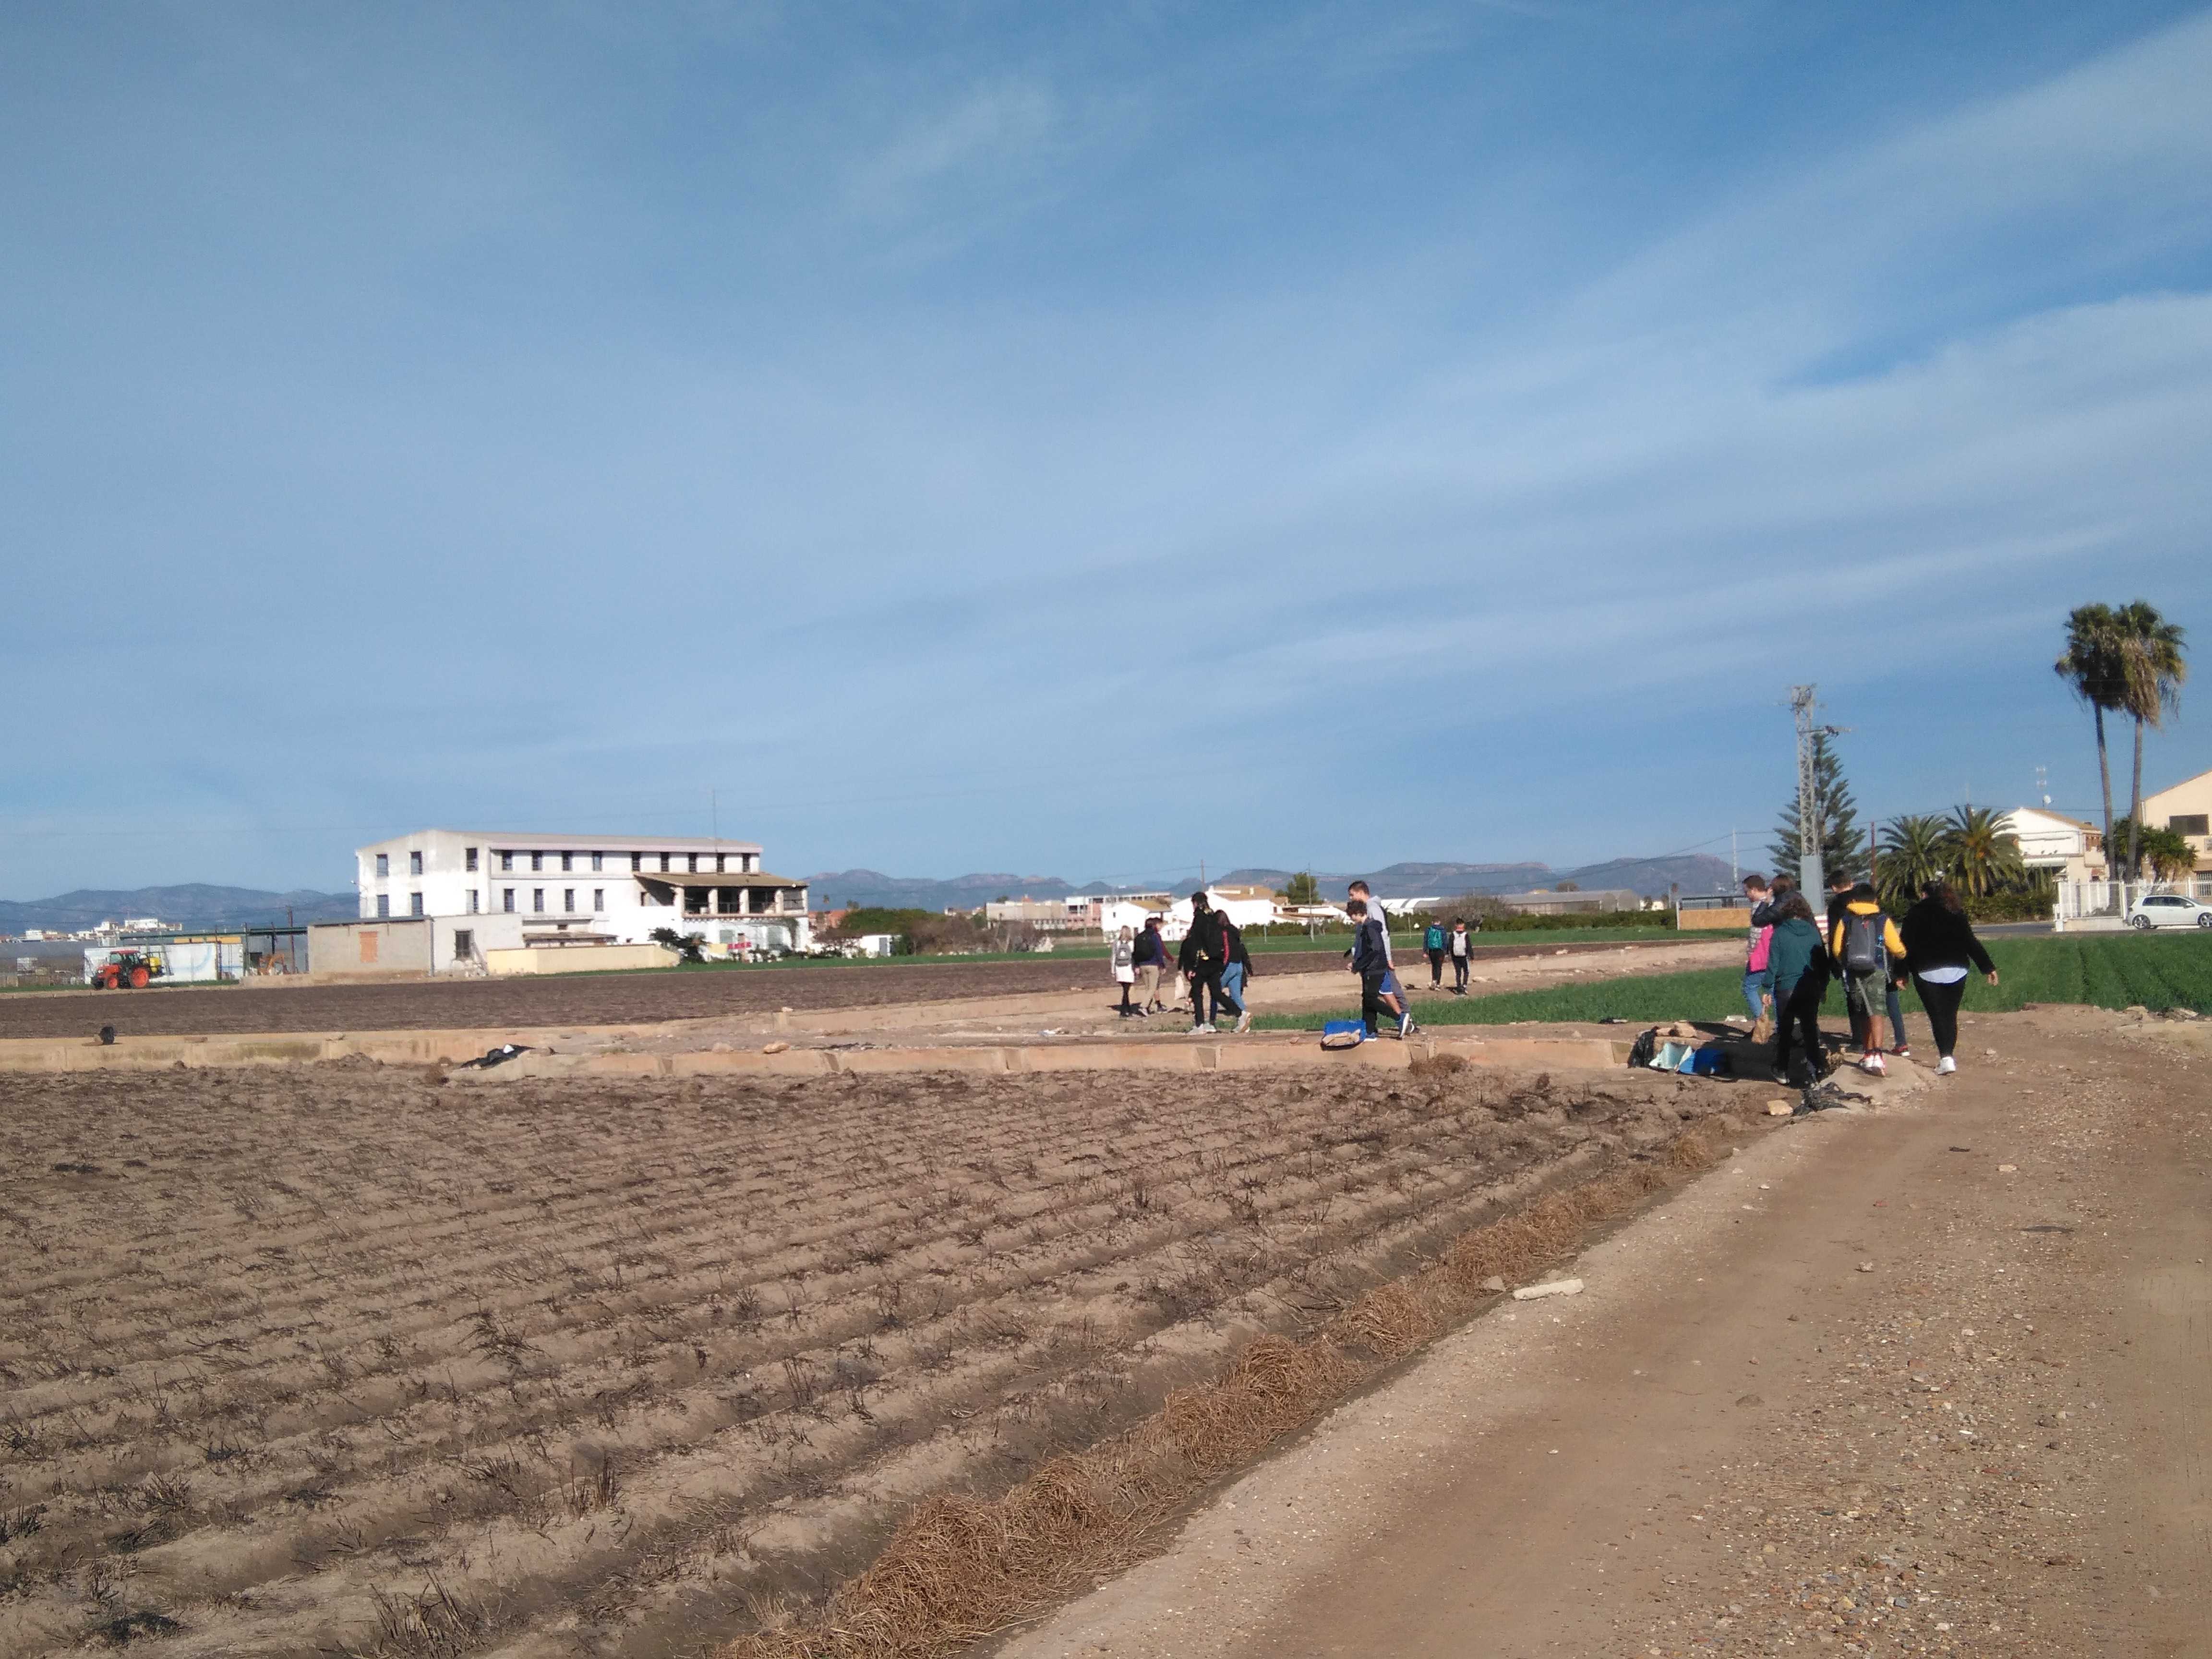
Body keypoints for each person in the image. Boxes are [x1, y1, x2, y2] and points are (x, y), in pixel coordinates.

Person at [1898, 879, 1998, 1075]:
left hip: (1926, 970)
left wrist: (1901, 973)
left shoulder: (1915, 913)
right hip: (1957, 969)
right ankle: (1948, 1057)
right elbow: (1970, 941)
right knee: (1950, 1015)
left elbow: (1904, 946)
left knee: (1937, 1016)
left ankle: (1946, 1058)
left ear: (1924, 894)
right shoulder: (1955, 911)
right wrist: (1988, 968)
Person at [1829, 881, 1907, 1076]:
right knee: (1877, 1012)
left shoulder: (1846, 919)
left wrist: (1845, 962)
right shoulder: (1882, 919)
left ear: (1853, 899)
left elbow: (1837, 949)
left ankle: (1867, 1053)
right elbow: (1896, 947)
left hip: (1854, 971)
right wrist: (1902, 955)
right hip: (1877, 969)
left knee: (1862, 1012)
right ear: (1875, 900)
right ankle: (1878, 1055)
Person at [1766, 893, 1827, 1086]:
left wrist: (1767, 988)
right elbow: (1822, 962)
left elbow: (1773, 964)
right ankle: (1815, 1069)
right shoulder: (1812, 932)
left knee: (1785, 1030)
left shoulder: (1780, 933)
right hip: (1810, 986)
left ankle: (1782, 1069)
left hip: (1785, 988)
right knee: (1809, 1028)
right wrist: (1823, 985)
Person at [1181, 891, 1246, 1035]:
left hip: (1202, 962)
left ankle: (1199, 1025)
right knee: (1216, 993)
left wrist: (1191, 965)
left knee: (1197, 993)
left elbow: (1196, 943)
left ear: (1195, 903)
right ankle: (1241, 1014)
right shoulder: (1213, 917)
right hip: (1215, 961)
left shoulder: (1199, 918)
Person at [1348, 898, 1390, 1037]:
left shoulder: (1370, 927)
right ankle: (1370, 1030)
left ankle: (1398, 1017)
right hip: (1370, 968)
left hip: (1375, 968)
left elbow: (1375, 950)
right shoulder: (1367, 927)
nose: (1351, 918)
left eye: (1351, 915)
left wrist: (1358, 966)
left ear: (1358, 913)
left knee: (1371, 999)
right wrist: (1357, 964)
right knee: (1367, 999)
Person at [1740, 875, 1775, 1038]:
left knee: (1750, 987)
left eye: (1746, 891)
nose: (1746, 895)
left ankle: (1760, 1024)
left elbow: (1756, 934)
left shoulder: (1758, 906)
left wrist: (1750, 954)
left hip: (1761, 955)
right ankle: (1781, 1027)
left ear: (1754, 890)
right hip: (1775, 954)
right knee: (1774, 990)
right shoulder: (1775, 903)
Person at [1217, 911, 1254, 1028]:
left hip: (1230, 965)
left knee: (1216, 991)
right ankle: (1244, 1023)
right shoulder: (1235, 932)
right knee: (1236, 995)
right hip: (1239, 965)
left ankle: (1211, 1023)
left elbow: (1226, 950)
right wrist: (1249, 969)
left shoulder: (1224, 932)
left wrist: (1222, 965)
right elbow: (1243, 951)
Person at [1132, 915, 1173, 1015]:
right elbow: (1159, 951)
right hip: (1153, 964)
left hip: (1142, 965)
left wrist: (1136, 965)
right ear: (1154, 925)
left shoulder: (1139, 936)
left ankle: (1147, 1008)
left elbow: (1135, 952)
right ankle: (1143, 1006)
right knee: (1153, 988)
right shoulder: (1155, 936)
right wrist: (1162, 965)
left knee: (1148, 988)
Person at [1111, 926, 1138, 1018]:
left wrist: (1113, 970)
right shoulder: (1132, 943)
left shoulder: (1117, 943)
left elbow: (1114, 956)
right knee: (1126, 990)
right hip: (1128, 968)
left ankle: (1128, 1009)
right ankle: (1124, 1010)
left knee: (1125, 989)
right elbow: (1134, 956)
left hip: (1119, 968)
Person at [1447, 916, 1473, 993]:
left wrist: (1449, 954)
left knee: (1458, 972)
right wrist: (1472, 956)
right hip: (1464, 956)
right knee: (1466, 971)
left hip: (1455, 956)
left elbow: (1450, 945)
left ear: (1456, 925)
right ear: (1463, 925)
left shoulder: (1453, 934)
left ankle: (1459, 986)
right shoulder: (1465, 934)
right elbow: (1469, 946)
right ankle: (1464, 985)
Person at [1424, 917, 1447, 988]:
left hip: (1432, 951)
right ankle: (1438, 983)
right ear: (1439, 922)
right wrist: (1446, 952)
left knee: (1434, 966)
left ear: (1432, 922)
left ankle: (1434, 979)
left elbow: (1425, 941)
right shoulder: (1443, 930)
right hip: (1440, 951)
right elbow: (1445, 941)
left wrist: (1425, 951)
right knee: (1439, 967)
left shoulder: (1428, 930)